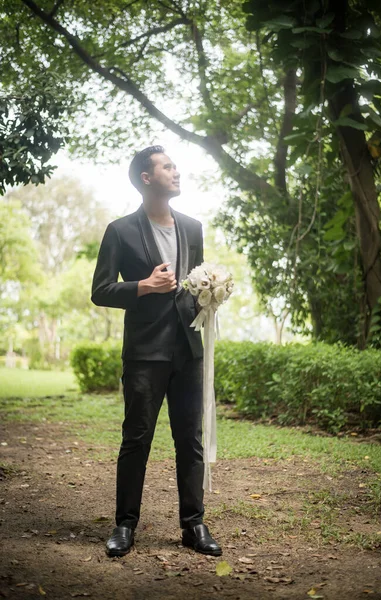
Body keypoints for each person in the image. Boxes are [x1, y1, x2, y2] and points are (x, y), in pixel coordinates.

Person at [91, 145, 222, 558]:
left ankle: (194, 525)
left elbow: (193, 288)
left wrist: (210, 294)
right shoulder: (121, 230)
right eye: (168, 167)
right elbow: (100, 290)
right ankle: (124, 526)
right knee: (137, 439)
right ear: (147, 178)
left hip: (188, 351)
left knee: (191, 440)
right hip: (145, 352)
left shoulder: (193, 227)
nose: (176, 171)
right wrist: (143, 286)